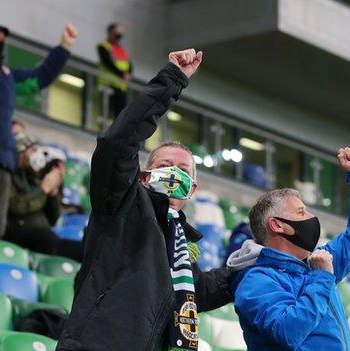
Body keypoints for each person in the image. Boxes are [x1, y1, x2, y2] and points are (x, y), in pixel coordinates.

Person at [57, 49, 232, 351]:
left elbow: (197, 290)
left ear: (191, 190)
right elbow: (117, 142)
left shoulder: (179, 241)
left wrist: (259, 263)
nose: (175, 173)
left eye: (183, 170)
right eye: (165, 166)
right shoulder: (123, 201)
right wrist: (171, 80)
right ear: (143, 176)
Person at [227, 148, 350, 350]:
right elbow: (287, 331)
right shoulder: (255, 281)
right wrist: (323, 278)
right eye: (301, 212)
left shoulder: (314, 264)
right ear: (277, 225)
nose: (310, 217)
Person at [0, 0, 77, 238]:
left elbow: (40, 78)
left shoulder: (7, 76)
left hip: (3, 158)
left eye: (3, 37)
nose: (0, 41)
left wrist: (63, 48)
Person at [3, 133, 83, 262]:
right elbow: (17, 206)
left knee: (85, 250)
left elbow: (52, 219)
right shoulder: (8, 176)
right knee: (47, 238)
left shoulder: (36, 179)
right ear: (20, 152)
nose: (38, 154)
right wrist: (44, 189)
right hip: (17, 233)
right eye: (33, 150)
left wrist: (53, 192)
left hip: (44, 237)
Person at [97, 22, 132, 118]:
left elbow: (129, 65)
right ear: (110, 32)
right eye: (117, 32)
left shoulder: (123, 50)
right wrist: (122, 74)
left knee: (120, 116)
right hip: (108, 84)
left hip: (121, 86)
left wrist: (128, 75)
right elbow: (108, 63)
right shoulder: (104, 46)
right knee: (106, 114)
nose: (119, 35)